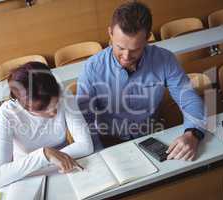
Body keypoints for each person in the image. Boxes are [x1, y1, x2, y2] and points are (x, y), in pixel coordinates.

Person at [77, 2, 206, 161]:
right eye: (120, 47)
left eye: (135, 49)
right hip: (109, 142)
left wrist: (192, 133)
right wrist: (98, 153)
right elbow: (84, 119)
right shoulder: (92, 68)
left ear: (147, 39)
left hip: (153, 137)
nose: (126, 56)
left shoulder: (165, 59)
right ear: (110, 33)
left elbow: (188, 98)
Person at [0, 62, 93, 189]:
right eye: (43, 109)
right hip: (28, 177)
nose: (53, 112)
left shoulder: (64, 94)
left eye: (55, 103)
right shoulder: (6, 114)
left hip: (64, 169)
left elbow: (86, 146)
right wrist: (45, 154)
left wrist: (54, 158)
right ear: (25, 107)